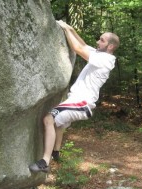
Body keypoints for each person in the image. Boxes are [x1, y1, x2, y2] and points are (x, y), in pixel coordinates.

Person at [29, 20, 120, 173]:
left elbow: (78, 48)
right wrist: (70, 28)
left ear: (110, 46)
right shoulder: (100, 54)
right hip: (77, 101)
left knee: (48, 119)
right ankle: (56, 151)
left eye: (102, 40)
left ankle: (45, 161)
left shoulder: (105, 60)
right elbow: (84, 45)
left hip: (82, 103)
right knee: (59, 123)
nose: (98, 41)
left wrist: (65, 29)